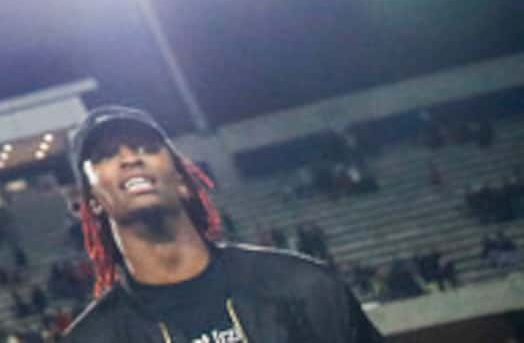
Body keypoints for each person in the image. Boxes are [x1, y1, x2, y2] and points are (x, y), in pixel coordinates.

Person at [64, 105, 379, 343]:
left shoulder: (301, 284)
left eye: (147, 147)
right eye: (105, 155)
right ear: (92, 202)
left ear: (182, 180)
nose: (131, 158)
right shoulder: (94, 338)